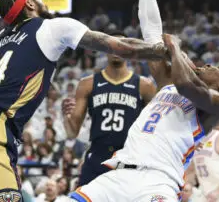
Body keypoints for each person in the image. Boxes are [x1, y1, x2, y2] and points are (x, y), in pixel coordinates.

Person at [0, 0, 169, 202]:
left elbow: (24, 14)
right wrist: (161, 51)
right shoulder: (55, 28)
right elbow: (117, 44)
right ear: (31, 4)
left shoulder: (0, 38)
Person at [69, 0, 219, 202]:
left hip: (157, 181)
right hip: (118, 174)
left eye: (216, 69)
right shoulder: (168, 84)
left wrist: (174, 47)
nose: (208, 65)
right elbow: (151, 32)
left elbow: (187, 85)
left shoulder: (215, 106)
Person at [62, 30, 156, 186]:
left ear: (129, 49)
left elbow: (153, 131)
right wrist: (65, 116)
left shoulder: (144, 85)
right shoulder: (87, 84)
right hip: (97, 155)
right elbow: (72, 133)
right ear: (105, 49)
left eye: (122, 45)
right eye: (113, 45)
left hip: (129, 156)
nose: (117, 50)